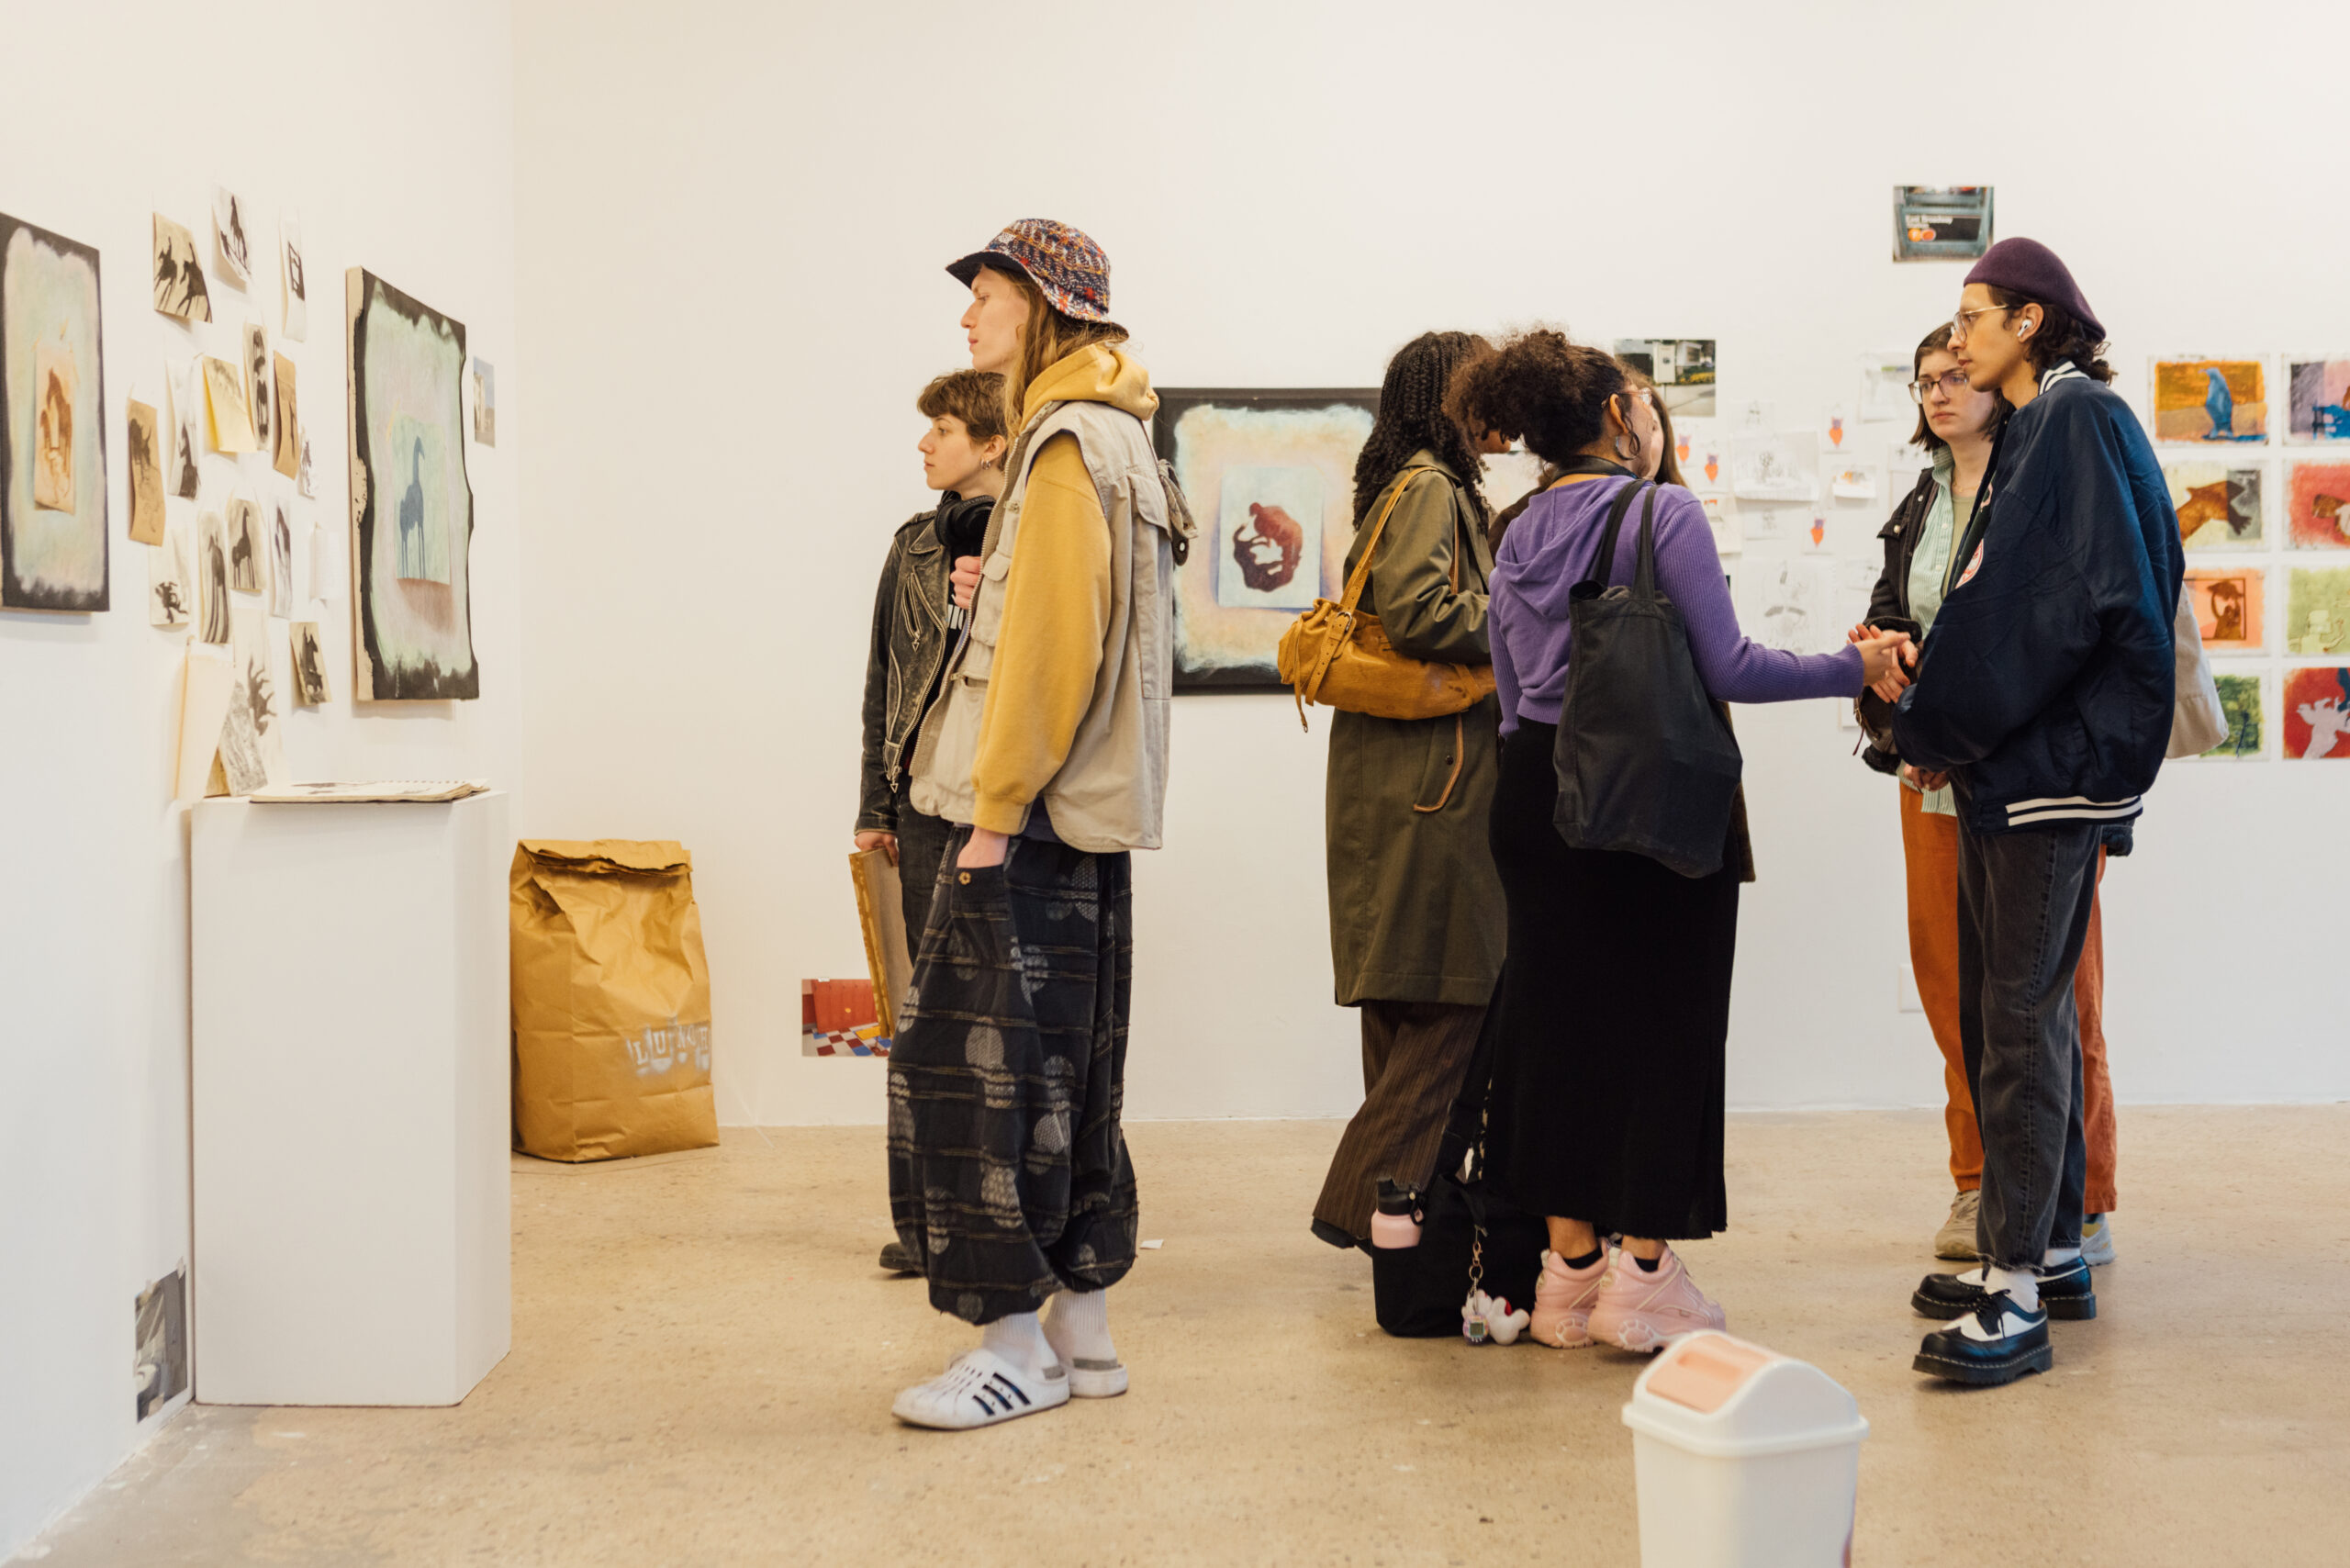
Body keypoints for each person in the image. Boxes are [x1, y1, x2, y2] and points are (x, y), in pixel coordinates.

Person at [1452, 331, 1909, 1352]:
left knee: (1556, 1028)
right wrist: (1855, 662)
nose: (1656, 424)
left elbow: (1512, 694)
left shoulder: (1515, 523)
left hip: (1531, 795)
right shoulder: (1661, 511)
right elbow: (1732, 666)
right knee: (1665, 1023)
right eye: (1648, 408)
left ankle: (1569, 1275)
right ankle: (1644, 1275)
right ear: (1621, 416)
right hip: (1644, 801)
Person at [887, 219, 1181, 1429]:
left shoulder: (1064, 447)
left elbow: (1051, 653)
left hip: (1027, 824)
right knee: (1068, 1080)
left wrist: (994, 816)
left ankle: (1012, 1344)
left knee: (969, 1085)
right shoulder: (1122, 440)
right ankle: (1084, 1331)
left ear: (1048, 307)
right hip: (1084, 833)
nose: (969, 319)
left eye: (990, 296)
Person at [1894, 238, 2182, 1387]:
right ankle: (2053, 1247)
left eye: (1972, 316)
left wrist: (1928, 721)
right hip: (2024, 767)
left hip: (2041, 771)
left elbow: (2040, 610)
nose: (1954, 338)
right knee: (2028, 1015)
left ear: (2029, 322)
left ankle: (2012, 1293)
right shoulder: (2054, 425)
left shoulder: (2065, 420)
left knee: (2014, 1019)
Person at [1854, 329, 2126, 1267]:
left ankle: (2076, 1199)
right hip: (1931, 775)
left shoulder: (2042, 481)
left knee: (2055, 995)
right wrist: (1887, 672)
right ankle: (1978, 1184)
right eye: (1924, 378)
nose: (1938, 390)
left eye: (1954, 373)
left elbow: (2063, 633)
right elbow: (1899, 613)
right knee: (1953, 991)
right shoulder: (1920, 501)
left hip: (2030, 779)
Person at [1309, 331, 1506, 1250]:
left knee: (1403, 1000)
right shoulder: (1431, 486)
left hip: (1398, 777)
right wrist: (1526, 611)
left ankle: (1405, 1227)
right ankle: (1360, 1206)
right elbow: (1426, 611)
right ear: (1453, 400)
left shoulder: (1410, 482)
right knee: (1455, 990)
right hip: (1435, 780)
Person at [855, 368, 1006, 1275]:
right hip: (919, 810)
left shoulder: (1043, 539)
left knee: (998, 1014)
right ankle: (921, 1221)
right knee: (924, 1016)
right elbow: (884, 682)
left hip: (998, 802)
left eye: (942, 428)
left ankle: (993, 1214)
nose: (924, 443)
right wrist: (874, 807)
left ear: (990, 442)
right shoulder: (913, 548)